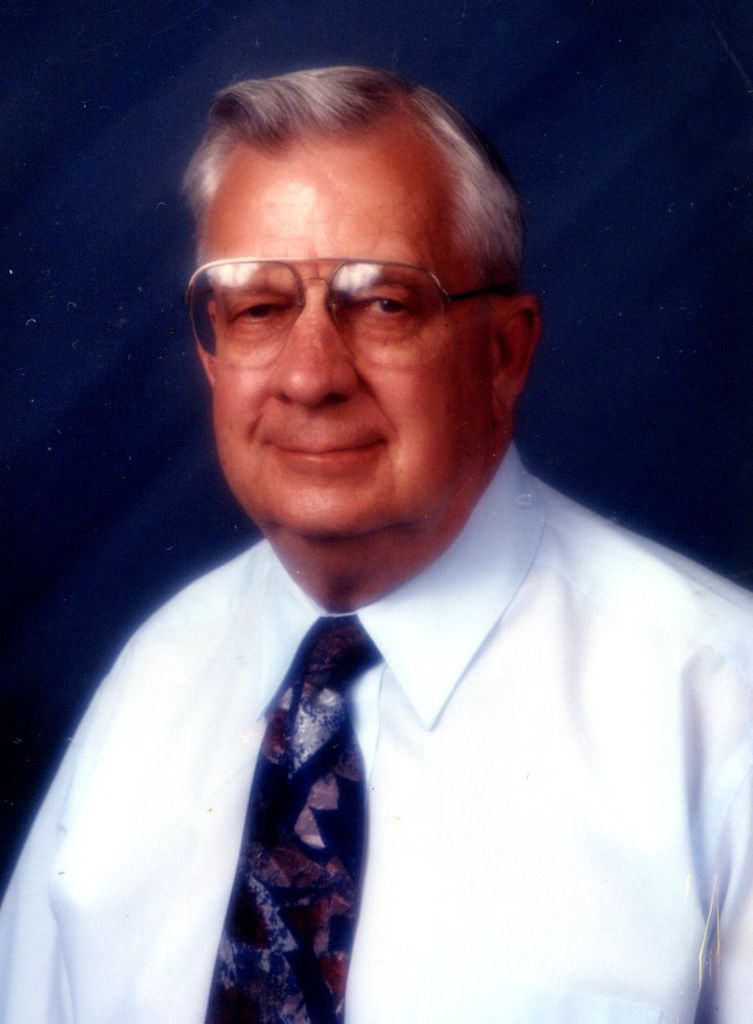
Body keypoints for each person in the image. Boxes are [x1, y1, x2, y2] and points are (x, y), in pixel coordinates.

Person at [1, 65, 752, 1024]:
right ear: (212, 351)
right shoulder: (152, 680)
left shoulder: (718, 714)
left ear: (504, 352)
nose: (310, 377)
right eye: (259, 308)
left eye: (384, 303)